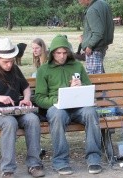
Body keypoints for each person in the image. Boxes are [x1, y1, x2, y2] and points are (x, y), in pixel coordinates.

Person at [34, 35, 102, 175]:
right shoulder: (44, 70)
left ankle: (94, 158)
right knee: (57, 115)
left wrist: (81, 86)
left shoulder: (77, 66)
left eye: (65, 53)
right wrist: (56, 101)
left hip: (79, 107)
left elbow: (90, 90)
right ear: (52, 53)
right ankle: (60, 161)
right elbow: (39, 98)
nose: (62, 56)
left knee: (91, 112)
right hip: (58, 107)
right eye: (58, 53)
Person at [0, 38, 45, 178]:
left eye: (11, 61)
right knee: (9, 122)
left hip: (14, 110)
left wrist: (26, 99)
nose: (9, 65)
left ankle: (34, 164)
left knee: (32, 119)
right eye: (5, 61)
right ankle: (7, 169)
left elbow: (25, 87)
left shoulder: (14, 69)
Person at [78, 0, 114, 74]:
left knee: (95, 79)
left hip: (94, 49)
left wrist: (89, 46)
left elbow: (98, 32)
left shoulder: (92, 10)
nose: (79, 2)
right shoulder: (104, 4)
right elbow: (108, 26)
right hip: (102, 46)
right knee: (100, 75)